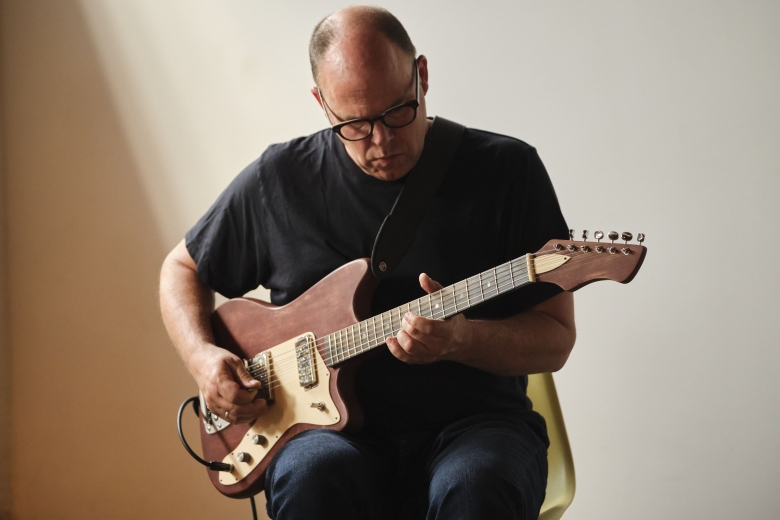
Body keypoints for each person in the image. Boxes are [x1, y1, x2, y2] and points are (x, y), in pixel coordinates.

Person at [160, 6, 576, 520]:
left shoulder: (507, 171)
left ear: (422, 76)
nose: (381, 141)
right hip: (330, 438)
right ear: (322, 104)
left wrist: (464, 339)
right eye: (355, 124)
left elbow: (556, 338)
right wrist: (203, 359)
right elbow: (181, 269)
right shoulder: (279, 181)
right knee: (311, 475)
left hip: (477, 426)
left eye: (398, 110)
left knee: (476, 484)